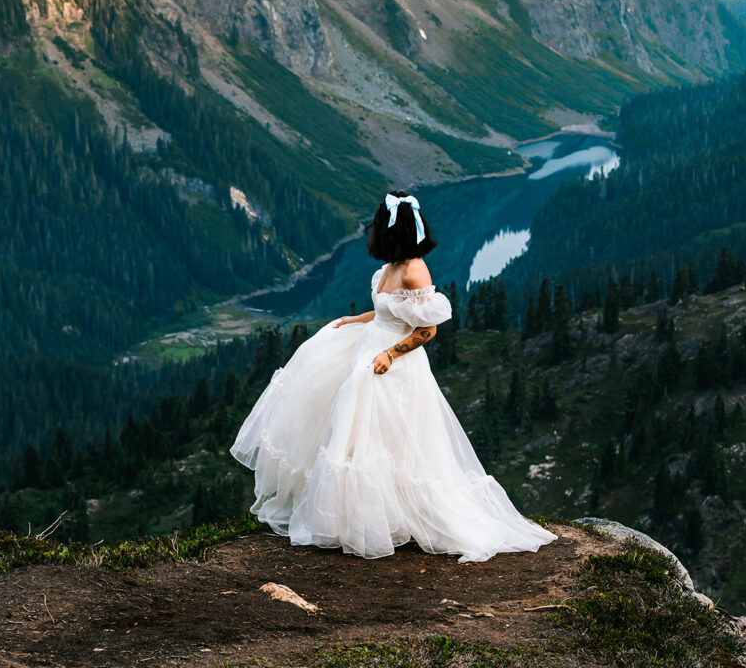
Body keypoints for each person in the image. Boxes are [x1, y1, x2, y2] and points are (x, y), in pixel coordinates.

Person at [230, 189, 557, 562]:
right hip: (368, 350)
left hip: (394, 365)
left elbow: (427, 330)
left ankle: (395, 518)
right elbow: (389, 313)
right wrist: (353, 320)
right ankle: (367, 518)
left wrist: (389, 354)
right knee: (352, 433)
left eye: (377, 225)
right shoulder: (389, 267)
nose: (372, 231)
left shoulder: (414, 269)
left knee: (391, 440)